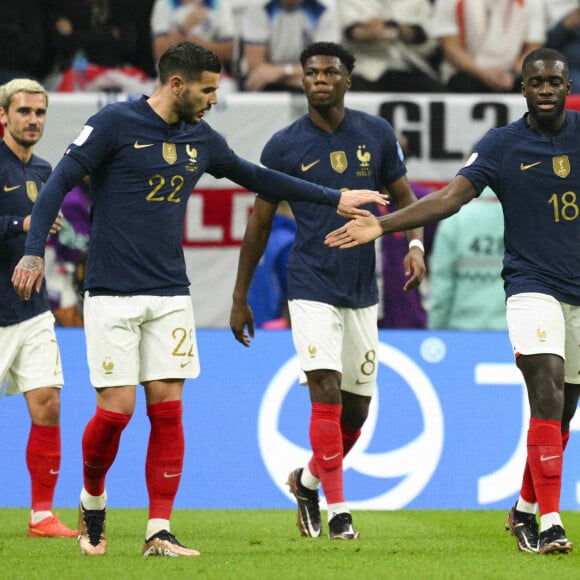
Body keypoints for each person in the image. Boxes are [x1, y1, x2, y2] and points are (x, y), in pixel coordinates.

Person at [11, 42, 386, 557]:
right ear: (178, 85)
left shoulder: (200, 138)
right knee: (116, 412)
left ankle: (158, 530)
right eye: (208, 89)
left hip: (169, 292)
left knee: (168, 411)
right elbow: (58, 183)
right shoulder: (114, 123)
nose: (214, 98)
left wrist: (333, 197)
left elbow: (256, 177)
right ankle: (92, 497)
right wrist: (34, 253)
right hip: (110, 290)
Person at [325, 47, 579, 555]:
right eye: (536, 83)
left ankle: (525, 508)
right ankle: (551, 522)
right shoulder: (503, 144)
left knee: (566, 409)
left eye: (554, 81)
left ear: (566, 83)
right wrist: (386, 224)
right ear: (522, 88)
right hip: (531, 286)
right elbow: (451, 196)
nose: (546, 90)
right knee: (547, 391)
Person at [230, 41, 426, 540]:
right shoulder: (282, 146)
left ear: (347, 80)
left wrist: (416, 245)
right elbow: (259, 223)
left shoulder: (376, 134)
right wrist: (239, 297)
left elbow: (406, 200)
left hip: (362, 288)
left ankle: (308, 480)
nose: (319, 78)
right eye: (311, 72)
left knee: (357, 410)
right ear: (302, 80)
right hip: (310, 283)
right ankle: (339, 511)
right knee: (326, 390)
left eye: (330, 71)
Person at [0, 79, 76, 538]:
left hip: (30, 309)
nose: (33, 120)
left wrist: (45, 226)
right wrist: (21, 223)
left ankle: (42, 515)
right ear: (3, 116)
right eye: (24, 111)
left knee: (47, 403)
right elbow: (20, 224)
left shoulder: (45, 171)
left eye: (40, 112)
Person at [427, 186, 507, 330]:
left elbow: (442, 286)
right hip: (512, 332)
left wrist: (436, 330)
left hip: (462, 332)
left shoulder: (454, 220)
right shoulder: (524, 219)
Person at [431, 0, 545, 93]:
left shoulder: (531, 2)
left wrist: (512, 74)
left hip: (511, 73)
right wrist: (482, 74)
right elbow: (451, 47)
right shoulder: (450, 2)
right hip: (466, 72)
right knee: (465, 85)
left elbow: (533, 48)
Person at [335, 0, 445, 93]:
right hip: (366, 68)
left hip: (410, 67)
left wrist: (398, 29)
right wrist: (372, 33)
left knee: (440, 95)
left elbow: (429, 41)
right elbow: (350, 31)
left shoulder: (418, 2)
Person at [240, 0, 340, 91]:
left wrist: (284, 71)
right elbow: (256, 68)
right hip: (264, 84)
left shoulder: (325, 8)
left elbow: (326, 65)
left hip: (306, 84)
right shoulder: (258, 5)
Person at [150, 0, 237, 88]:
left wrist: (197, 44)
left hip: (211, 76)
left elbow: (230, 51)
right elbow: (159, 53)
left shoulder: (219, 4)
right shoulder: (165, 3)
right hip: (172, 77)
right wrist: (184, 28)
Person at [544, 1, 580, 94]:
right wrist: (565, 25)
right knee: (575, 83)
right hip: (567, 67)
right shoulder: (545, 5)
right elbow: (548, 46)